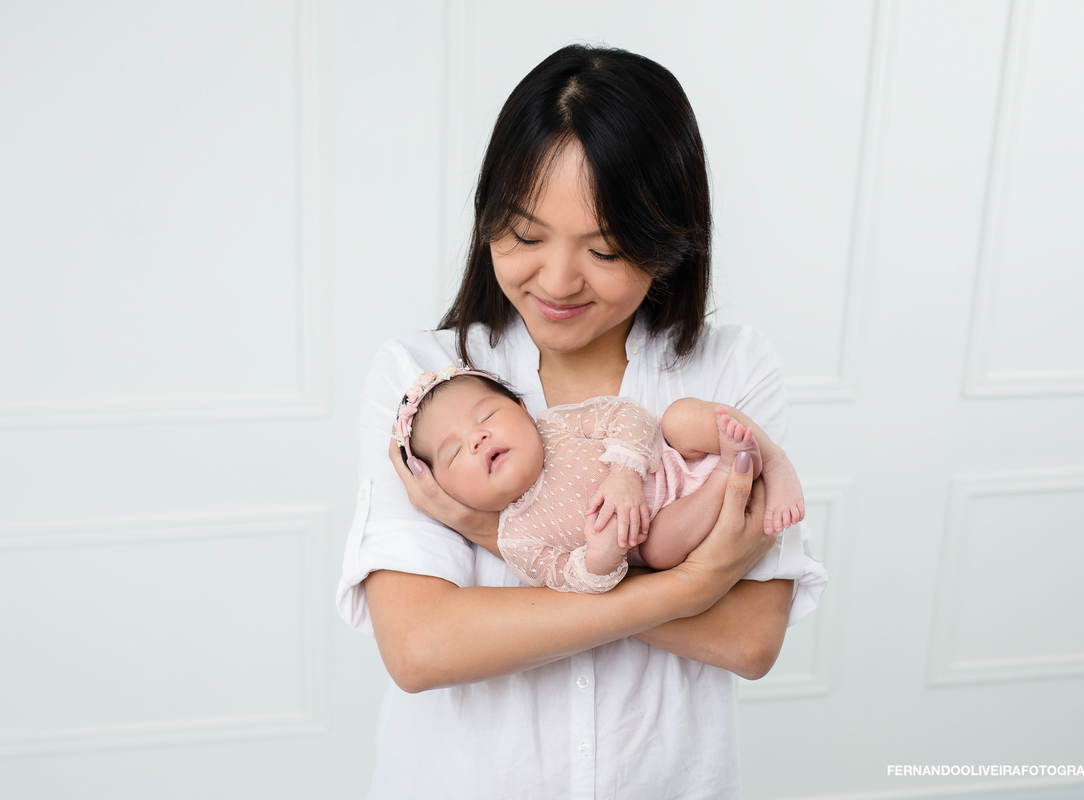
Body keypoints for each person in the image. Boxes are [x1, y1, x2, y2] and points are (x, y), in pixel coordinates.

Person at [336, 44, 827, 799]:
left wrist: (492, 540)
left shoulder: (731, 373)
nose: (558, 281)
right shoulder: (421, 387)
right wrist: (687, 587)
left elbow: (749, 638)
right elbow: (422, 648)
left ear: (668, 241)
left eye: (603, 249)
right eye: (526, 237)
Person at [394, 367, 808, 592]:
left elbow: (627, 414)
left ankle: (772, 462)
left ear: (521, 407)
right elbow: (564, 577)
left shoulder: (555, 426)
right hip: (666, 525)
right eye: (454, 453)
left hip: (669, 455)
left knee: (683, 416)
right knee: (659, 552)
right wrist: (600, 559)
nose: (477, 438)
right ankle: (727, 474)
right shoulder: (515, 539)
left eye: (486, 416)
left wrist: (626, 473)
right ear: (446, 493)